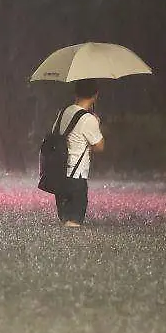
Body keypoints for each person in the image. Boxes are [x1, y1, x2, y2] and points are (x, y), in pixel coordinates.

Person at [54, 79, 105, 226]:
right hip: (76, 177)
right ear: (95, 95)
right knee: (74, 223)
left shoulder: (63, 112)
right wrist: (97, 124)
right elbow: (99, 146)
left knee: (65, 221)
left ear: (75, 93)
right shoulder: (89, 119)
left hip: (60, 175)